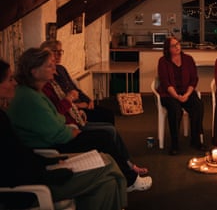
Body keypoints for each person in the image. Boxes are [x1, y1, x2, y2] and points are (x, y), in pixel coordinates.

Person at [6, 48, 152, 192]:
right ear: (34, 71)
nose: (53, 68)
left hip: (56, 135)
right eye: (49, 65)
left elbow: (56, 117)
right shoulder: (30, 97)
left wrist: (70, 121)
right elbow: (57, 131)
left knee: (105, 130)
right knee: (104, 137)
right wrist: (72, 130)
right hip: (51, 147)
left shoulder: (34, 92)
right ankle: (130, 180)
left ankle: (126, 173)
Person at [0, 59, 128, 210]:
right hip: (28, 188)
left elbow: (19, 154)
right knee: (108, 164)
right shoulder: (21, 102)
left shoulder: (5, 113)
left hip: (38, 171)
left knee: (109, 182)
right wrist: (48, 172)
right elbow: (9, 169)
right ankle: (129, 183)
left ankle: (128, 183)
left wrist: (49, 162)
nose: (14, 83)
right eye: (9, 79)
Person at [42, 77, 148, 176]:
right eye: (49, 65)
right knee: (108, 132)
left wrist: (83, 105)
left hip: (76, 119)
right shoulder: (43, 90)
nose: (53, 68)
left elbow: (75, 91)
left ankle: (126, 164)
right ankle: (125, 169)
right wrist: (74, 108)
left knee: (109, 125)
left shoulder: (55, 78)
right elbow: (57, 115)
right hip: (70, 129)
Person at [40, 40, 115, 124]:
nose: (59, 54)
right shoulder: (47, 78)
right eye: (55, 51)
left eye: (60, 51)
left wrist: (88, 100)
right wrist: (80, 105)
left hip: (80, 104)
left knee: (108, 113)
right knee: (106, 116)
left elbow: (74, 88)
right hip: (72, 109)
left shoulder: (61, 69)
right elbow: (59, 104)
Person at [157, 36, 205, 155]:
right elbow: (165, 82)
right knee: (175, 110)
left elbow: (194, 79)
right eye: (174, 45)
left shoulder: (188, 59)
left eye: (178, 44)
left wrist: (187, 94)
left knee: (198, 106)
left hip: (186, 91)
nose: (177, 47)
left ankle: (195, 140)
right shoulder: (163, 61)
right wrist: (177, 97)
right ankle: (175, 144)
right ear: (168, 49)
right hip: (169, 94)